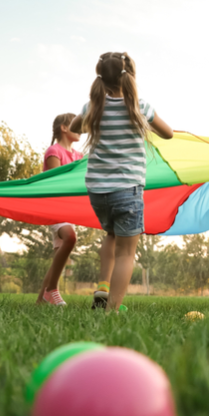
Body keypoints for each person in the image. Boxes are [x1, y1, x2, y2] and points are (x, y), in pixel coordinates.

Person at [70, 52, 173, 311]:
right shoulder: (139, 107)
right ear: (130, 77)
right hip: (127, 188)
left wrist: (92, 118)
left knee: (112, 234)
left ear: (101, 78)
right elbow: (168, 133)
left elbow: (74, 127)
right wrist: (142, 123)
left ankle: (103, 287)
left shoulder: (93, 106)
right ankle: (111, 311)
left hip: (97, 191)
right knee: (127, 253)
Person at [35, 113, 83, 306]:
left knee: (58, 256)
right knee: (70, 237)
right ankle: (52, 290)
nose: (80, 128)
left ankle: (41, 300)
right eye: (76, 124)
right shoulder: (54, 151)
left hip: (68, 210)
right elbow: (56, 182)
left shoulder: (79, 156)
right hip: (54, 207)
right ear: (64, 127)